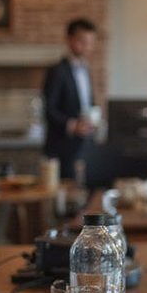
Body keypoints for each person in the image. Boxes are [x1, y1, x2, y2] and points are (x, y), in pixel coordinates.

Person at [43, 18, 99, 179]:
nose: (88, 47)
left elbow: (87, 103)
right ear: (69, 40)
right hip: (61, 146)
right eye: (83, 41)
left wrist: (94, 120)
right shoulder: (56, 71)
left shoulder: (86, 70)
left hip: (84, 144)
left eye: (90, 42)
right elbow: (49, 109)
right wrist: (73, 126)